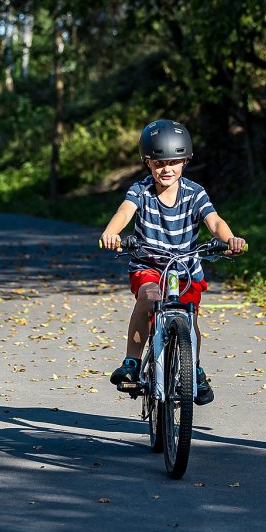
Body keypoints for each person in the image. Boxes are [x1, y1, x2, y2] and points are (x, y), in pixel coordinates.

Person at [100, 120, 246, 405]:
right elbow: (124, 211)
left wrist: (230, 240)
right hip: (149, 265)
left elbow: (214, 221)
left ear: (185, 161)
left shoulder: (195, 193)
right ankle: (132, 361)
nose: (166, 169)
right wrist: (112, 232)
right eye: (158, 163)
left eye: (173, 162)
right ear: (147, 163)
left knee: (189, 319)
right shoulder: (141, 191)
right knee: (147, 296)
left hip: (186, 269)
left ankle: (195, 369)